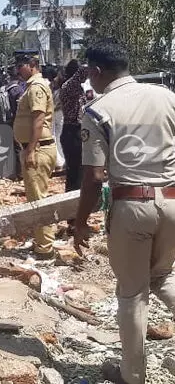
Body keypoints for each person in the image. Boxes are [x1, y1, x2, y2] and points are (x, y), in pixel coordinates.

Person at [72, 40, 175, 384]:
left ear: (97, 71)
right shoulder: (166, 96)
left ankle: (133, 377)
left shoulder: (99, 109)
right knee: (162, 278)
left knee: (132, 293)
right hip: (173, 201)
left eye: (88, 72)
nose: (88, 79)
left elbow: (94, 175)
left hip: (132, 206)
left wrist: (81, 221)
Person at [13, 54, 57, 260]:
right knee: (35, 198)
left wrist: (31, 149)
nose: (17, 70)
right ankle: (42, 240)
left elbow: (38, 119)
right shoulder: (31, 86)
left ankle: (45, 247)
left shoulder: (36, 87)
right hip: (35, 148)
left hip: (38, 149)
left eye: (20, 65)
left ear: (32, 65)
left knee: (38, 200)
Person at [59, 59, 88, 191]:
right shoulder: (69, 86)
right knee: (75, 170)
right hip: (72, 131)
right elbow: (82, 73)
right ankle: (72, 199)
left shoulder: (75, 87)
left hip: (77, 130)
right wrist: (93, 61)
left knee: (79, 169)